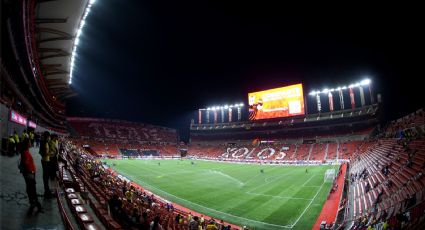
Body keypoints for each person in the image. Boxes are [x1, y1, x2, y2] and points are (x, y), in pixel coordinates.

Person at [20, 138, 43, 213]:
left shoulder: (25, 151)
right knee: (32, 189)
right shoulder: (26, 152)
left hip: (28, 173)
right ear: (27, 144)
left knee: (30, 188)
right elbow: (25, 163)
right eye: (30, 142)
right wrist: (31, 171)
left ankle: (32, 203)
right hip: (29, 173)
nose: (31, 143)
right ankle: (37, 205)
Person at [39, 131, 53, 198]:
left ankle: (47, 191)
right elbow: (43, 153)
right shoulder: (44, 143)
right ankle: (47, 192)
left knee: (46, 177)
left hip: (45, 161)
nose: (49, 138)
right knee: (46, 177)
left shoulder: (45, 142)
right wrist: (51, 154)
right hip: (45, 161)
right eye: (49, 137)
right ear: (47, 136)